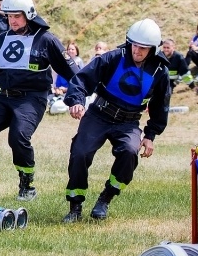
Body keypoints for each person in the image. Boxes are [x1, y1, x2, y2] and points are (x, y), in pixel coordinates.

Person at [0, 0, 79, 200]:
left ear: (28, 14)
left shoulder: (46, 40)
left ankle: (26, 184)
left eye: (17, 16)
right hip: (4, 97)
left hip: (33, 98)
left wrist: (76, 99)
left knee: (18, 136)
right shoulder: (1, 39)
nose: (12, 21)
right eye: (9, 17)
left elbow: (73, 73)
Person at [62, 19, 170, 222]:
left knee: (130, 152)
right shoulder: (112, 58)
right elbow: (82, 79)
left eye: (143, 48)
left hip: (128, 123)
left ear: (153, 49)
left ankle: (106, 197)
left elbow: (160, 107)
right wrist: (76, 101)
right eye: (134, 45)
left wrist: (150, 135)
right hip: (98, 115)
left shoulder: (160, 72)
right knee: (80, 152)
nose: (136, 51)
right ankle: (75, 206)